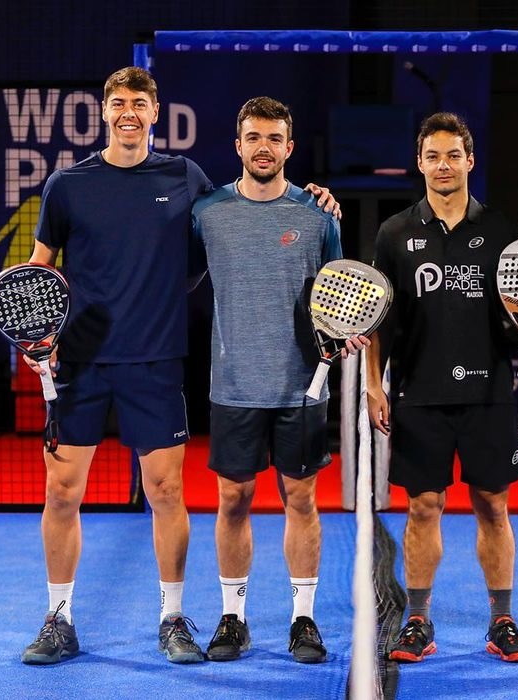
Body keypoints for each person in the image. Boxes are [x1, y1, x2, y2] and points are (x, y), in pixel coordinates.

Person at [20, 69, 337, 666]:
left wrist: (315, 197)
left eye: (139, 104)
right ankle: (59, 617)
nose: (128, 113)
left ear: (155, 112)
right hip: (81, 364)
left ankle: (172, 618)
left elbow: (240, 217)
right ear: (105, 112)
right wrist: (41, 333)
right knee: (61, 492)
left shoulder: (185, 179)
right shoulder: (66, 186)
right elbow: (40, 271)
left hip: (157, 360)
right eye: (118, 104)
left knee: (166, 491)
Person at [367, 112, 518, 664]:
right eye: (433, 156)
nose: (443, 165)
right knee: (423, 507)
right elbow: (378, 317)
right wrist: (375, 388)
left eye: (453, 155)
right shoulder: (394, 233)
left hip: (489, 392)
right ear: (419, 163)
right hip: (417, 393)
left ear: (470, 161)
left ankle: (502, 619)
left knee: (493, 506)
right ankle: (418, 621)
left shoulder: (501, 231)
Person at [190, 96, 364, 665]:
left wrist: (342, 336)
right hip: (234, 384)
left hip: (302, 387)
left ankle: (303, 619)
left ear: (289, 148)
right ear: (237, 146)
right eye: (253, 138)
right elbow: (181, 280)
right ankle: (233, 617)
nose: (263, 148)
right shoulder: (207, 213)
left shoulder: (319, 216)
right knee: (233, 498)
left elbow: (342, 292)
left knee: (301, 499)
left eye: (274, 139)